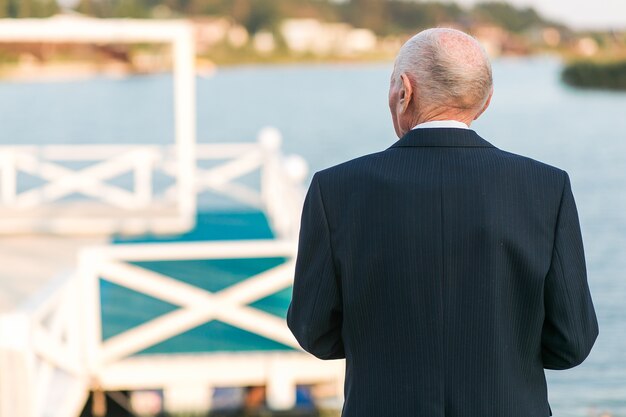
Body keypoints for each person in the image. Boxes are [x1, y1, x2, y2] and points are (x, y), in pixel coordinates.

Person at [286, 27, 599, 417]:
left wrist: (380, 350)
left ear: (404, 90)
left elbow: (313, 331)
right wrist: (508, 356)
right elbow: (572, 342)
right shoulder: (547, 187)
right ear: (484, 102)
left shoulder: (334, 189)